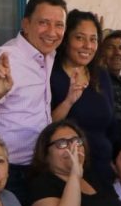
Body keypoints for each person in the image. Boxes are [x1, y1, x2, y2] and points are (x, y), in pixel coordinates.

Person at [0, 0, 68, 204]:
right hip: (7, 174)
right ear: (26, 24)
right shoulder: (5, 59)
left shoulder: (47, 56)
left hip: (38, 167)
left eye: (59, 25)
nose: (52, 32)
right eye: (44, 23)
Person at [50, 10, 117, 187]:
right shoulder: (50, 75)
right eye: (80, 38)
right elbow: (46, 128)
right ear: (66, 40)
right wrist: (68, 101)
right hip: (67, 171)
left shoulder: (101, 75)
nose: (87, 45)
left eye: (93, 39)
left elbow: (111, 125)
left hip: (103, 168)